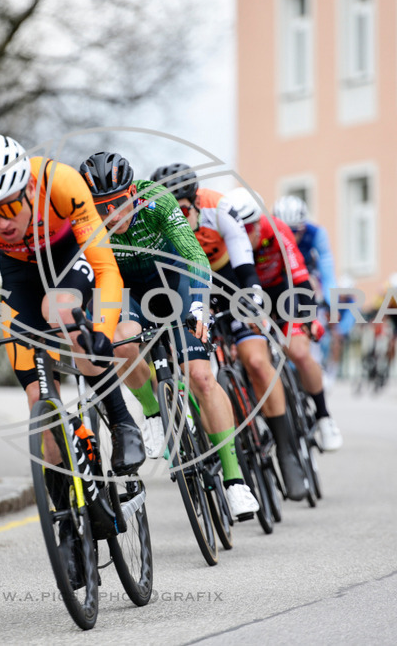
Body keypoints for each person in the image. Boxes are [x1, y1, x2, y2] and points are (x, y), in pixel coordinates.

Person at [0, 134, 145, 477]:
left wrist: (103, 332)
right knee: (38, 395)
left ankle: (123, 423)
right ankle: (61, 506)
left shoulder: (61, 183)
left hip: (68, 255)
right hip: (19, 273)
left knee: (61, 311)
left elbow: (106, 268)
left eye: (8, 208)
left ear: (30, 187)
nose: (2, 223)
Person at [79, 152, 259, 519]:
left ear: (133, 192)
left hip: (176, 281)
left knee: (200, 376)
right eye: (102, 208)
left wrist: (198, 306)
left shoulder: (156, 199)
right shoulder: (85, 221)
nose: (112, 214)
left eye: (118, 204)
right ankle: (152, 412)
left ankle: (235, 479)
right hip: (128, 290)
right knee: (121, 342)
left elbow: (193, 252)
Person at [152, 164, 315, 501]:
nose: (178, 220)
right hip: (192, 288)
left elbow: (244, 262)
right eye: (171, 213)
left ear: (195, 202)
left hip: (231, 280)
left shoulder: (217, 206)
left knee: (255, 362)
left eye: (183, 211)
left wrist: (252, 297)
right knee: (196, 374)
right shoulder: (157, 223)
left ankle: (286, 453)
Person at [228, 188, 343, 456]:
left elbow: (300, 277)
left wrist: (311, 316)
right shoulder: (229, 238)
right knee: (254, 361)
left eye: (252, 227)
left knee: (299, 351)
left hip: (284, 290)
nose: (249, 234)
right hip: (250, 298)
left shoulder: (278, 228)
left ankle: (324, 417)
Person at [274, 195, 344, 380]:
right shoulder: (268, 235)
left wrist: (330, 303)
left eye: (295, 231)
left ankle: (315, 357)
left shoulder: (317, 234)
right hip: (280, 279)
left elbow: (327, 270)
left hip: (307, 277)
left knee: (311, 290)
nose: (290, 236)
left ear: (303, 227)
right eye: (284, 231)